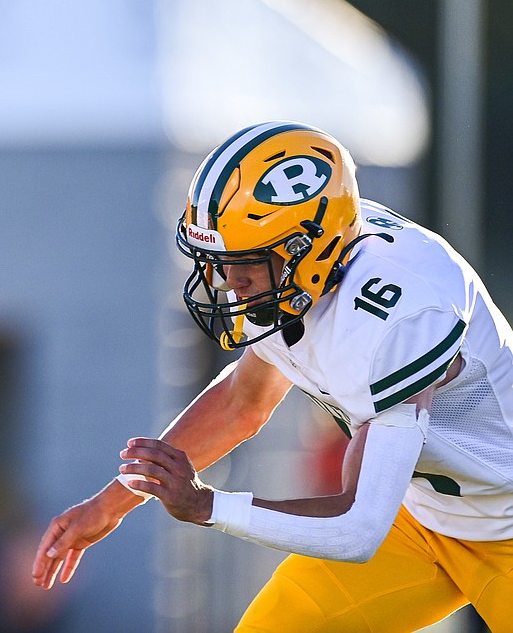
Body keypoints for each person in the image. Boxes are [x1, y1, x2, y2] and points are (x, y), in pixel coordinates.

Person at [32, 121, 513, 631]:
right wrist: (110, 505)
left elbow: (358, 528)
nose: (231, 283)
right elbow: (243, 403)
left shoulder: (403, 309)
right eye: (221, 262)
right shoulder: (294, 268)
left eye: (245, 264)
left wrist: (207, 505)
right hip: (422, 518)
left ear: (309, 252)